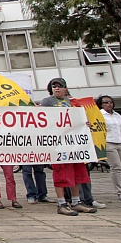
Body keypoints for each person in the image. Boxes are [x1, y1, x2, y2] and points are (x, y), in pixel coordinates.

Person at [40, 78, 98, 216]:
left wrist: (85, 124)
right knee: (61, 172)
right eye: (54, 86)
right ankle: (61, 203)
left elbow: (79, 119)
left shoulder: (72, 103)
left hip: (73, 143)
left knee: (76, 171)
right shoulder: (47, 102)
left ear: (65, 89)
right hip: (58, 143)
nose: (57, 89)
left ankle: (76, 201)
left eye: (59, 86)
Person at [97, 95, 121, 201]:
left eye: (110, 102)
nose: (109, 104)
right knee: (116, 166)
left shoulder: (117, 115)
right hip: (109, 142)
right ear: (101, 104)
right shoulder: (100, 115)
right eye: (106, 102)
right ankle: (120, 191)